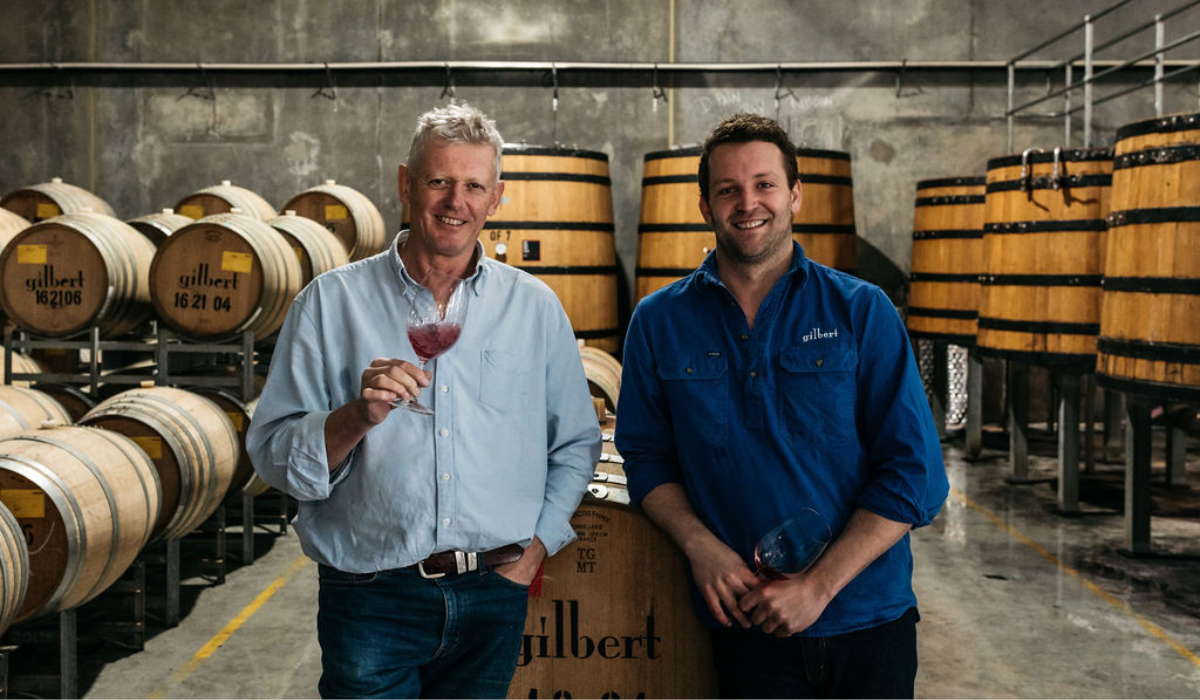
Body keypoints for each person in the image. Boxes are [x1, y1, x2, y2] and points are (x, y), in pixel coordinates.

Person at [247, 102, 602, 699]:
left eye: (472, 186)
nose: (454, 201)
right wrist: (356, 417)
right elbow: (273, 455)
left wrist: (534, 550)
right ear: (406, 184)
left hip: (495, 590)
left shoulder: (534, 306)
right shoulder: (329, 304)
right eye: (438, 181)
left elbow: (574, 442)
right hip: (369, 594)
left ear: (496, 198)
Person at [614, 113, 949, 699]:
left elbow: (916, 476)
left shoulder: (861, 311)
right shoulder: (658, 322)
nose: (748, 203)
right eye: (728, 189)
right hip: (745, 623)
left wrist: (817, 587)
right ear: (704, 205)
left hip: (868, 620)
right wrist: (700, 546)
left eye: (765, 184)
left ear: (794, 194)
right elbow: (646, 459)